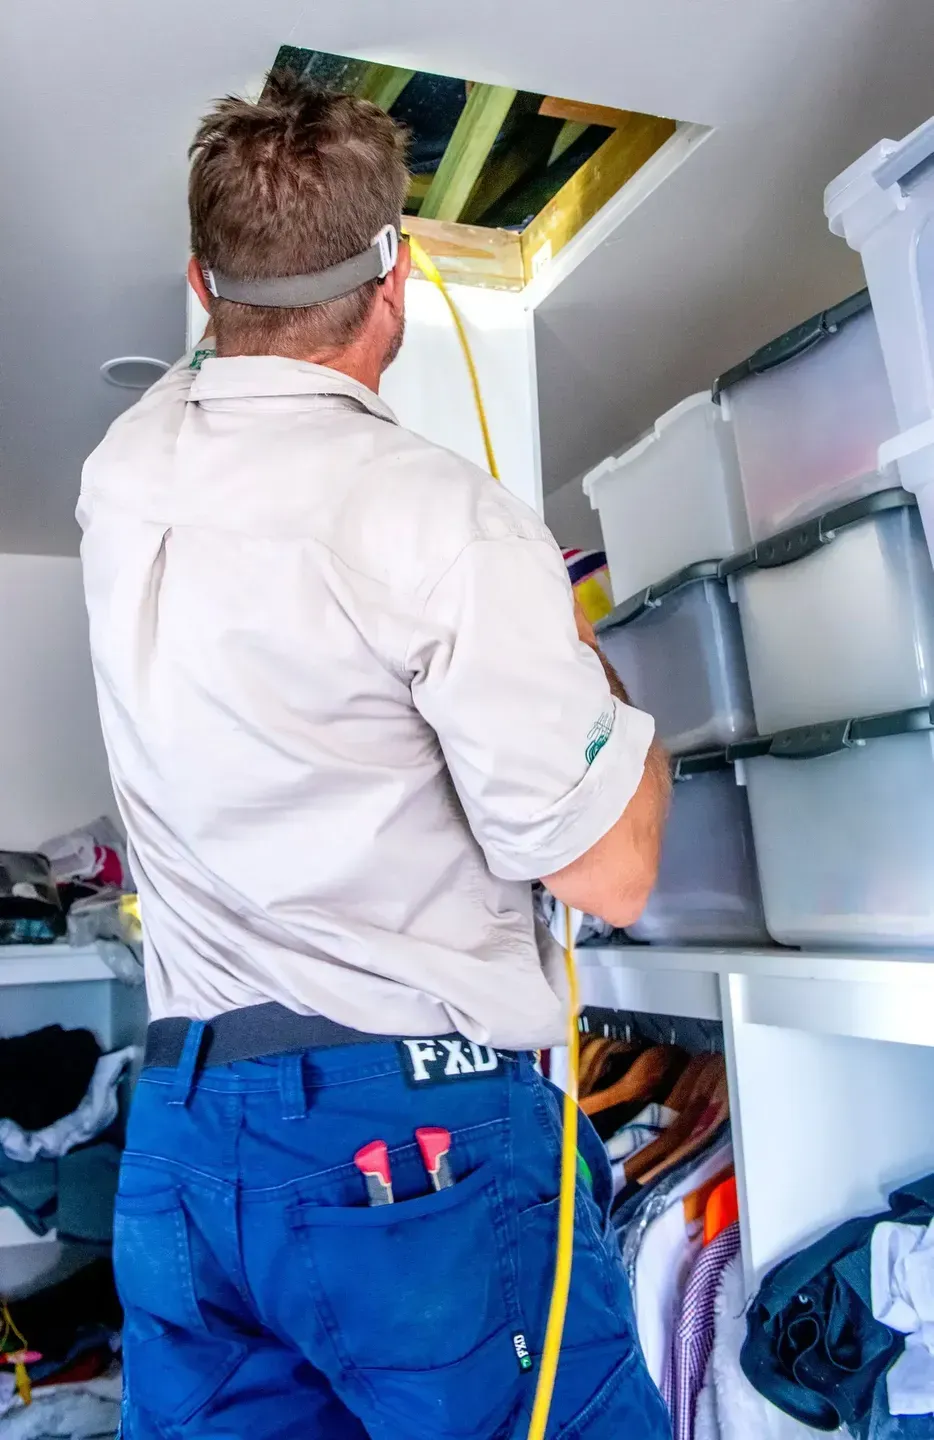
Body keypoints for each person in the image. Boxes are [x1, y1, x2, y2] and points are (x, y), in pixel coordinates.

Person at [79, 71, 672, 1440]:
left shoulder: (124, 471)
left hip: (185, 1146)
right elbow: (613, 877)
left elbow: (225, 365)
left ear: (199, 284)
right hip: (405, 1150)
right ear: (393, 278)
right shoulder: (439, 520)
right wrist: (605, 695)